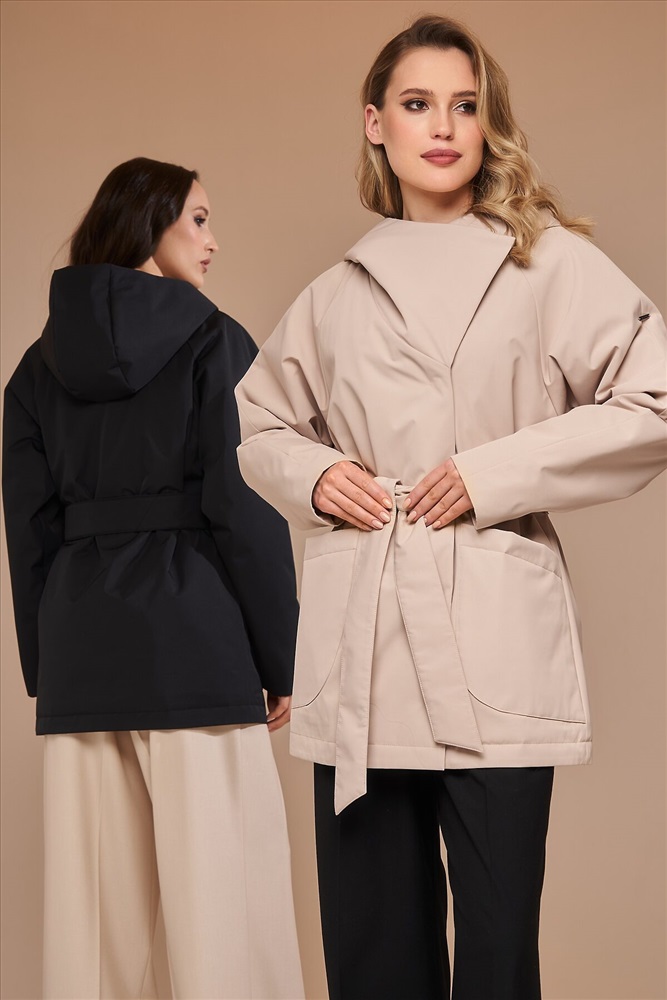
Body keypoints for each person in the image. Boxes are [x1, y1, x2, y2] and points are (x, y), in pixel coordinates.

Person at [234, 15, 667, 1000]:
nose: (442, 126)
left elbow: (654, 398)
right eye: (417, 103)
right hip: (362, 651)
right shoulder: (335, 293)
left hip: (490, 642)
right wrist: (314, 477)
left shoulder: (548, 264)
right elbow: (258, 427)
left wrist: (491, 473)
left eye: (464, 106)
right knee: (373, 957)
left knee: (497, 958)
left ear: (487, 123)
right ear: (374, 123)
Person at [2, 157, 305, 1000]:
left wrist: (48, 669)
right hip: (195, 646)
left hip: (80, 654)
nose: (212, 241)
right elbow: (243, 512)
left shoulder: (34, 367)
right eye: (198, 219)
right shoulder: (215, 341)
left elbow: (28, 530)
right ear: (150, 221)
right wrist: (282, 660)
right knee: (226, 905)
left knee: (95, 927)